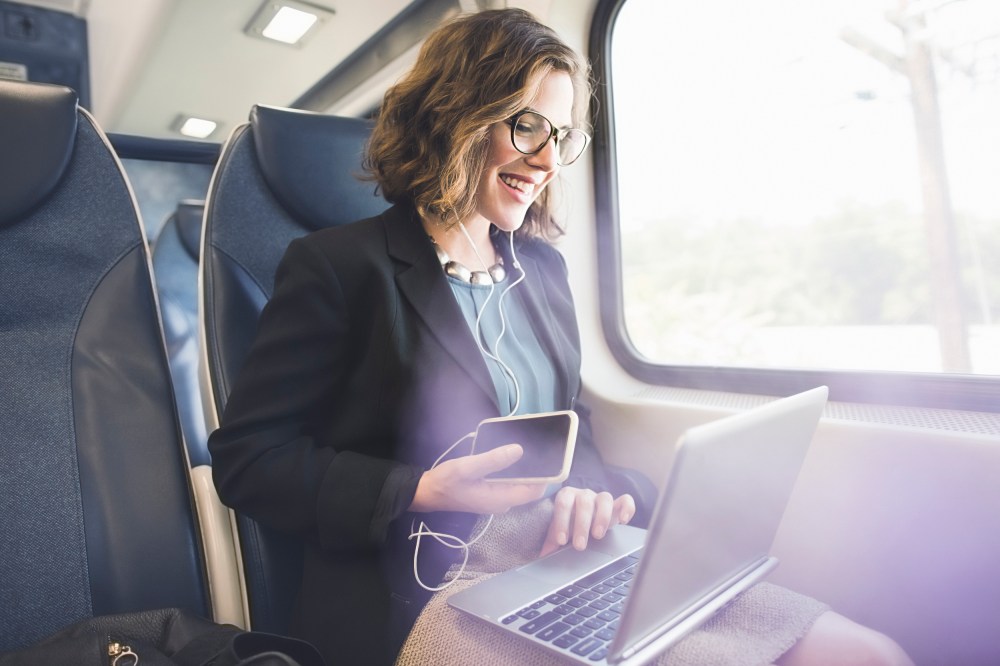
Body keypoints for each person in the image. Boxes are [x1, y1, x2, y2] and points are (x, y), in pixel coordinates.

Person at [209, 8, 913, 666]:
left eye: (562, 135)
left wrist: (595, 494)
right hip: (435, 580)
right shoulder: (340, 267)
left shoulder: (540, 269)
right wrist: (420, 488)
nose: (547, 160)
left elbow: (574, 430)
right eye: (526, 126)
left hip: (564, 556)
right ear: (457, 116)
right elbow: (249, 460)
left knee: (863, 651)